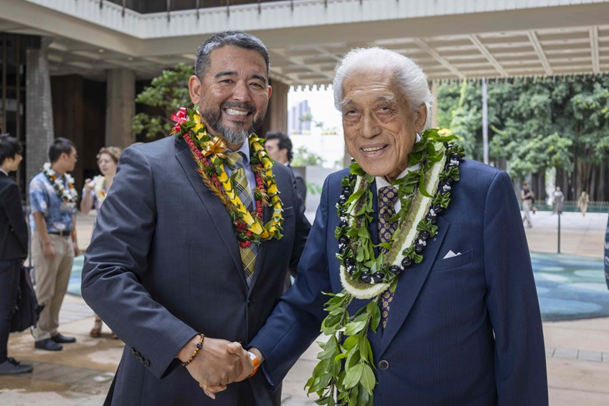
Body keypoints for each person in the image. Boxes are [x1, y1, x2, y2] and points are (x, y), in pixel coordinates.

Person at [213, 47, 548, 404]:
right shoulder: (338, 191)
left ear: (418, 116)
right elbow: (310, 296)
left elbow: (518, 335)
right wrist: (255, 357)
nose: (368, 129)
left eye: (385, 108)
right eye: (352, 112)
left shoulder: (482, 192)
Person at [81, 31, 310, 406]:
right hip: (167, 388)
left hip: (254, 388)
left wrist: (262, 353)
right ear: (196, 89)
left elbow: (314, 274)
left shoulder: (283, 180)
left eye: (255, 83)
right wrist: (189, 347)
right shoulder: (149, 165)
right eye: (226, 79)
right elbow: (103, 274)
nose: (241, 95)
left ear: (268, 94)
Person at [29, 137, 79, 351]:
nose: (76, 160)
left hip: (65, 239)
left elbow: (71, 212)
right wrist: (46, 243)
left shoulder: (67, 181)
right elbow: (37, 214)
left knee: (60, 288)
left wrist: (74, 240)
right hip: (48, 238)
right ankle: (40, 333)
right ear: (63, 156)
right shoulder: (39, 182)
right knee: (45, 288)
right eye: (74, 156)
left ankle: (52, 329)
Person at [80, 146, 122, 339]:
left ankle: (116, 323)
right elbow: (84, 210)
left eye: (107, 161)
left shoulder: (124, 181)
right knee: (98, 277)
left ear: (116, 163)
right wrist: (87, 193)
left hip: (120, 236)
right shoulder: (95, 184)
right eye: (100, 161)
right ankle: (97, 320)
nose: (103, 165)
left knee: (119, 278)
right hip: (100, 236)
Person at [0, 134, 33, 375]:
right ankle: (1, 359)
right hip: (6, 255)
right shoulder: (8, 186)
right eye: (18, 154)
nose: (20, 159)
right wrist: (23, 250)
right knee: (4, 308)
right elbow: (18, 225)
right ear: (9, 158)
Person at [264, 131, 307, 203]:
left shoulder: (296, 178)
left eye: (269, 148)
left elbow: (297, 208)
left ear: (283, 151)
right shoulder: (262, 173)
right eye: (264, 148)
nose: (264, 151)